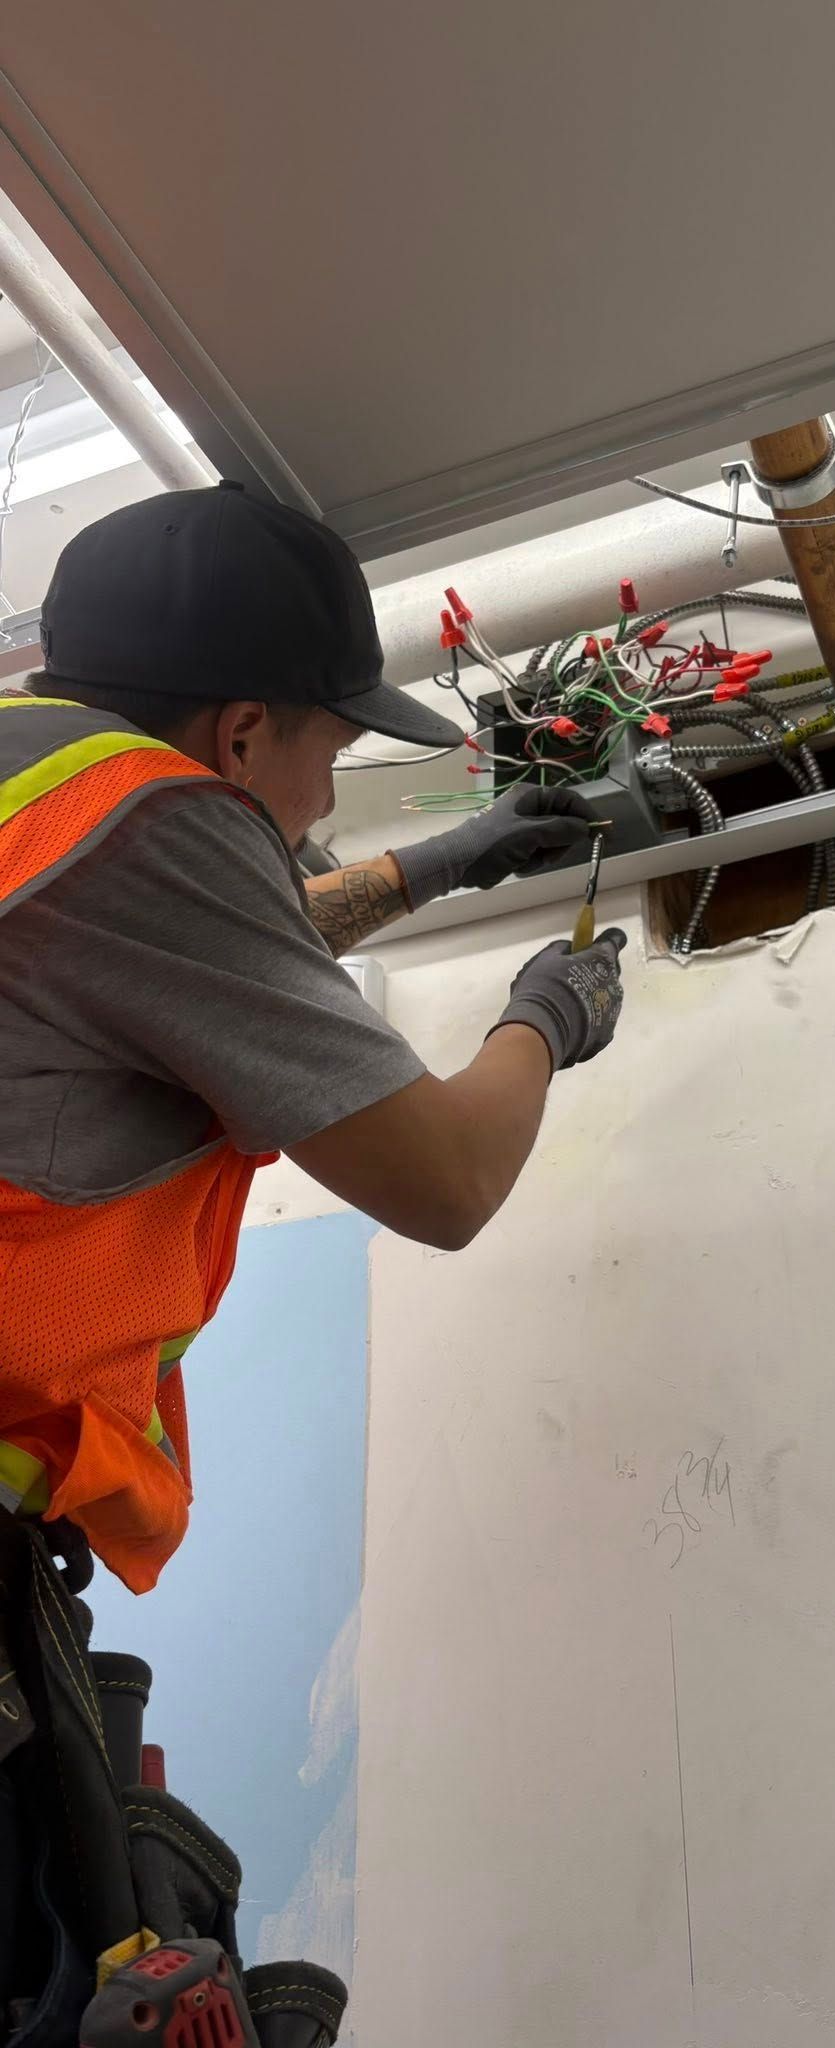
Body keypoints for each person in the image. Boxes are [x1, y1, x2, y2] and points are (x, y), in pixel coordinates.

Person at [0, 480, 627, 1599]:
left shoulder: (41, 784)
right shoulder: (153, 816)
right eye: (332, 751)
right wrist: (549, 1017)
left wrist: (441, 861)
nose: (328, 791)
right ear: (241, 734)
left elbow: (175, 975)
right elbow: (451, 1180)